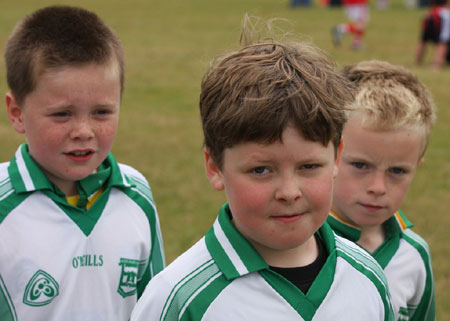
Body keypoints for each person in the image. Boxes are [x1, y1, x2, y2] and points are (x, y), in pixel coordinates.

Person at [131, 26, 394, 321]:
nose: (289, 192)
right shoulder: (179, 300)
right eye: (261, 170)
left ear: (336, 157)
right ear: (215, 167)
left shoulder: (367, 276)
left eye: (308, 167)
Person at [0, 5, 165, 320]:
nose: (83, 132)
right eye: (62, 114)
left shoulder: (136, 195)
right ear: (17, 113)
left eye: (102, 112)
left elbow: (154, 308)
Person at [329, 60, 436, 321]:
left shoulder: (413, 257)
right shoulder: (295, 244)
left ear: (416, 166)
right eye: (360, 165)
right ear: (329, 156)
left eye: (397, 171)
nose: (378, 188)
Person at [415, 0, 450, 70]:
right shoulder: (446, 13)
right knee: (442, 42)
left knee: (423, 40)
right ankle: (437, 64)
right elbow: (443, 41)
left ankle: (417, 61)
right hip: (442, 21)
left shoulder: (430, 12)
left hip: (430, 19)